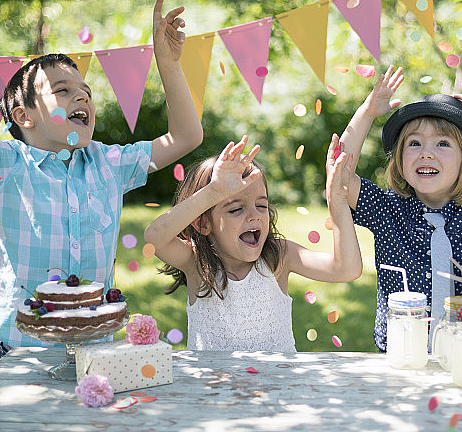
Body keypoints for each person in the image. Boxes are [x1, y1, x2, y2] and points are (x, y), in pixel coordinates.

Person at [0, 0, 203, 359]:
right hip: (24, 350)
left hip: (98, 349)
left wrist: (168, 62)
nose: (81, 96)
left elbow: (186, 135)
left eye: (85, 92)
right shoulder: (6, 165)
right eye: (61, 90)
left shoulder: (110, 164)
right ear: (24, 116)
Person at [339, 66, 462, 352]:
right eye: (415, 143)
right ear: (399, 159)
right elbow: (340, 175)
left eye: (443, 143)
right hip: (401, 353)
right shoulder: (387, 211)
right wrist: (367, 112)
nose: (426, 152)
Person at [143, 134, 362, 352]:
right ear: (202, 224)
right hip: (213, 385)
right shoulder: (196, 264)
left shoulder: (279, 257)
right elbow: (154, 238)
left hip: (276, 384)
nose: (254, 216)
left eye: (262, 205)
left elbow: (346, 269)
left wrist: (338, 201)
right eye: (236, 209)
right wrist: (213, 192)